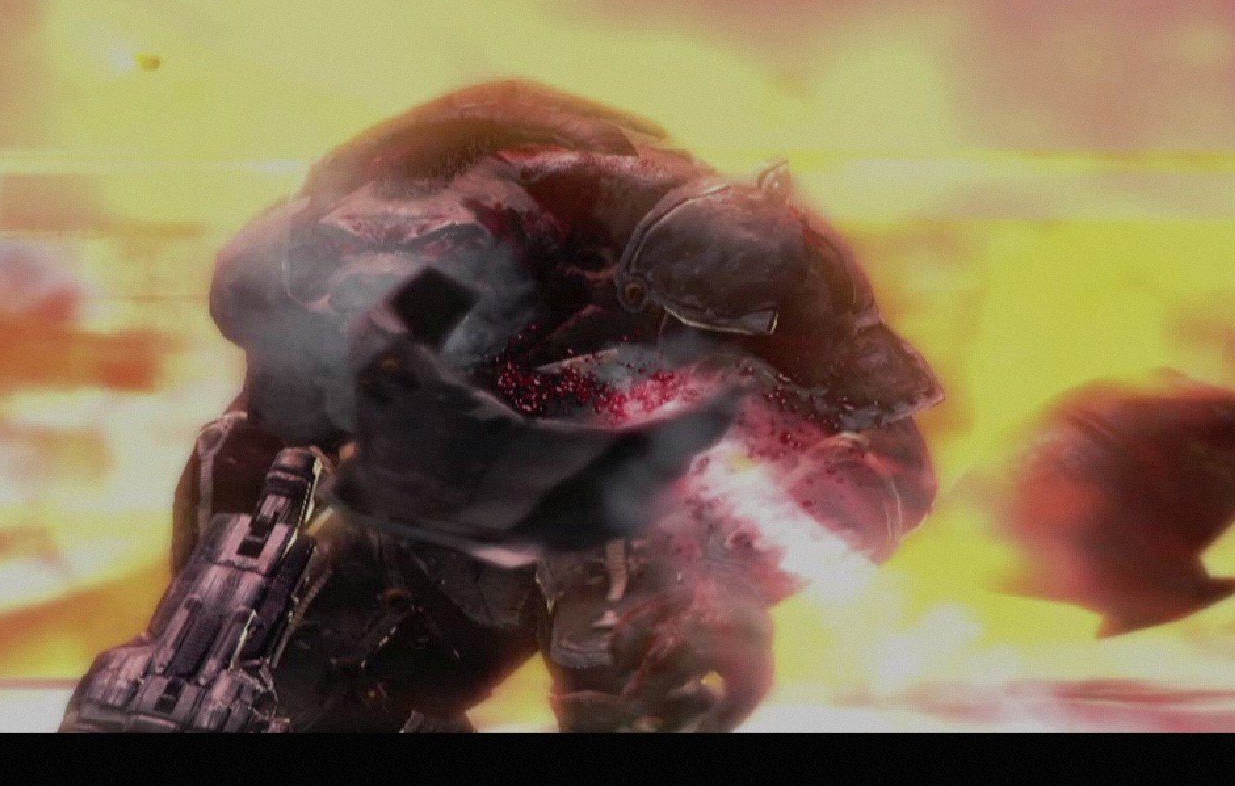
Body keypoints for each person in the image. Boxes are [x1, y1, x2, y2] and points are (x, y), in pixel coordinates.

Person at [62, 80, 941, 732]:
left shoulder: (731, 261)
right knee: (302, 661)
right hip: (448, 497)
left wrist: (724, 585)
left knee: (621, 640)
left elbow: (890, 464)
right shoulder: (347, 277)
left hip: (613, 493)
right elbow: (274, 457)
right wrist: (199, 643)